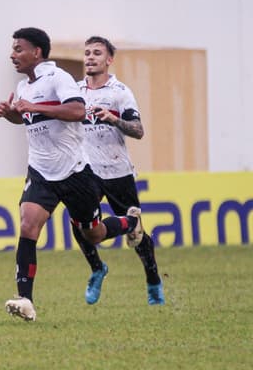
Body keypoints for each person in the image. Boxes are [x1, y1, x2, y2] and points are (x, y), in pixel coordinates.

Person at [0, 27, 144, 322]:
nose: (13, 55)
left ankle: (131, 222)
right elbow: (27, 117)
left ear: (36, 52)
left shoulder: (58, 78)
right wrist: (10, 113)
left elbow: (78, 111)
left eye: (19, 49)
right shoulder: (25, 86)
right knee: (28, 225)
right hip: (40, 171)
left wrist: (33, 106)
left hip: (75, 173)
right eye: (13, 49)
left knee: (94, 233)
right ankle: (25, 299)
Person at [72, 36, 164, 305]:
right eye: (87, 53)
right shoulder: (75, 91)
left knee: (136, 234)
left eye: (97, 53)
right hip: (85, 171)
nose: (90, 57)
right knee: (79, 223)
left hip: (116, 170)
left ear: (109, 60)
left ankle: (153, 280)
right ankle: (97, 268)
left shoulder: (119, 92)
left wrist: (113, 119)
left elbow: (138, 130)